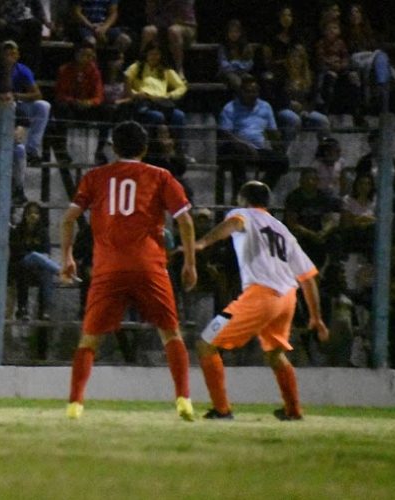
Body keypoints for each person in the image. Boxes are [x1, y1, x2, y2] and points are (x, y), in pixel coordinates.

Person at [59, 120, 197, 421]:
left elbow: (68, 219)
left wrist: (67, 257)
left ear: (113, 147)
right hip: (149, 266)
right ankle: (184, 399)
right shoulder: (161, 176)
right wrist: (189, 263)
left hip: (108, 267)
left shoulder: (95, 176)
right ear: (146, 148)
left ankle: (75, 404)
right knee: (171, 333)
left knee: (89, 339)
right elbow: (185, 221)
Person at [193, 181, 329, 420]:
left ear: (243, 199)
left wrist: (204, 242)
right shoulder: (282, 229)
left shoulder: (242, 213)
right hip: (287, 297)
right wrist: (316, 317)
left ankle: (222, 410)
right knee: (275, 354)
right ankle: (293, 410)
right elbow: (307, 278)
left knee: (206, 344)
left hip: (261, 296)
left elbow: (234, 223)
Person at [216, 75, 289, 203]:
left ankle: (258, 193)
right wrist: (245, 145)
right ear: (241, 92)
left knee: (282, 161)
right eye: (248, 91)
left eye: (254, 91)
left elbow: (272, 131)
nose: (252, 94)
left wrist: (278, 143)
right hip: (235, 147)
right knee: (238, 153)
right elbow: (224, 133)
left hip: (258, 149)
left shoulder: (265, 107)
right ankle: (240, 194)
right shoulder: (230, 107)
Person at [0, 40, 51, 166]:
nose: (9, 56)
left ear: (17, 55)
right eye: (6, 53)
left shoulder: (22, 70)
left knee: (44, 106)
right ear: (1, 55)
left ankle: (32, 150)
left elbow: (37, 94)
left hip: (18, 104)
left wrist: (17, 96)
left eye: (13, 53)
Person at [49, 42, 105, 165]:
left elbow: (99, 95)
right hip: (71, 107)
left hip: (88, 107)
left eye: (90, 56)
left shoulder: (94, 71)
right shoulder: (65, 70)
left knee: (107, 110)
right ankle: (62, 150)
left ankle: (100, 151)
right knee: (60, 107)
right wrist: (74, 102)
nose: (88, 58)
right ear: (76, 55)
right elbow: (60, 94)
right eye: (84, 55)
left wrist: (90, 102)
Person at [10, 200, 60, 321]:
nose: (33, 216)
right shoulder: (17, 231)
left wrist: (37, 258)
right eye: (30, 213)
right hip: (21, 264)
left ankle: (45, 310)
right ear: (25, 215)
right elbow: (16, 252)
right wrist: (33, 256)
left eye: (36, 213)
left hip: (38, 267)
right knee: (31, 260)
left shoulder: (43, 232)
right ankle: (22, 308)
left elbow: (47, 252)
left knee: (46, 273)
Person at [124, 41, 187, 133]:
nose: (154, 57)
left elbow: (182, 87)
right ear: (146, 54)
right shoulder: (137, 67)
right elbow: (126, 80)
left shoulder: (165, 70)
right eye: (151, 54)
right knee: (157, 116)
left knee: (179, 115)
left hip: (161, 103)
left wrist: (169, 95)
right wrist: (136, 94)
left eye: (157, 54)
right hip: (144, 103)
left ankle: (176, 145)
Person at [141, 0, 197, 78]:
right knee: (148, 31)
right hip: (163, 26)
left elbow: (180, 18)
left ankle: (179, 70)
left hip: (186, 27)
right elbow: (150, 18)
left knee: (174, 31)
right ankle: (144, 68)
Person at [216, 19, 254, 92]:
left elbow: (249, 63)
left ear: (240, 33)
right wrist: (233, 67)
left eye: (236, 32)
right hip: (226, 73)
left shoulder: (246, 46)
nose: (234, 34)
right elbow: (223, 63)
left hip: (241, 71)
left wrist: (239, 66)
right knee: (236, 81)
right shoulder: (224, 46)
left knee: (249, 80)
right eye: (231, 32)